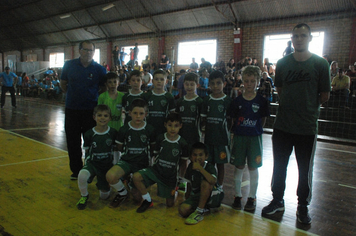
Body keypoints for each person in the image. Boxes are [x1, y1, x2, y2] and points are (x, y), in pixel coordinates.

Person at [261, 23, 330, 225]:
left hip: (306, 128)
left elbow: (324, 95)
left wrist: (306, 106)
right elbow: (281, 90)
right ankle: (277, 200)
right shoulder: (282, 63)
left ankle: (302, 206)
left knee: (304, 169)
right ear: (292, 39)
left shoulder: (320, 64)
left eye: (303, 35)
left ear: (309, 38)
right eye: (295, 36)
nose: (299, 39)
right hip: (283, 125)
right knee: (279, 166)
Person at [60, 40, 107, 180]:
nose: (88, 53)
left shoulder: (99, 69)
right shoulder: (69, 65)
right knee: (73, 141)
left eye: (91, 50)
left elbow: (103, 87)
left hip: (90, 111)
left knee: (90, 142)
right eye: (85, 50)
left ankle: (90, 170)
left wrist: (92, 97)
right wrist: (73, 95)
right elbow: (63, 84)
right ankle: (76, 171)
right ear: (79, 50)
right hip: (72, 110)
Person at [229, 66, 270, 211]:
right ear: (242, 81)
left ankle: (252, 197)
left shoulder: (262, 101)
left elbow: (263, 119)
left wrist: (256, 129)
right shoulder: (237, 101)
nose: (249, 84)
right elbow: (233, 120)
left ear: (258, 82)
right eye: (246, 81)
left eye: (252, 81)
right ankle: (237, 196)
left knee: (253, 167)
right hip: (240, 137)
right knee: (239, 166)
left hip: (254, 138)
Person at [132, 113, 188, 213]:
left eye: (176, 126)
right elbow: (155, 155)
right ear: (165, 125)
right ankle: (148, 200)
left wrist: (180, 180)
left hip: (169, 177)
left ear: (180, 126)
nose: (172, 129)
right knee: (136, 177)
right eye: (170, 125)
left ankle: (172, 191)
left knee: (170, 204)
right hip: (156, 171)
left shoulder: (182, 143)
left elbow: (183, 163)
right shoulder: (160, 138)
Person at [106, 98, 156, 208]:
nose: (138, 116)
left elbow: (152, 149)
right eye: (135, 113)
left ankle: (131, 182)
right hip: (127, 162)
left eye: (141, 113)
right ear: (129, 113)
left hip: (142, 165)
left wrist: (149, 166)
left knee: (138, 198)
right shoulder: (124, 129)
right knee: (110, 176)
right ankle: (123, 193)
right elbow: (119, 148)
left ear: (146, 114)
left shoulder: (150, 129)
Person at [76, 104, 118, 210]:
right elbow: (86, 150)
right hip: (93, 163)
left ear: (110, 118)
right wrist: (86, 164)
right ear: (94, 117)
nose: (102, 118)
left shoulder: (113, 133)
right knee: (82, 175)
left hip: (106, 166)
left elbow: (116, 150)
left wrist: (115, 165)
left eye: (105, 116)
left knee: (104, 197)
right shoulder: (89, 134)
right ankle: (84, 196)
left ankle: (105, 186)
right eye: (99, 115)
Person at [201, 70, 232, 189]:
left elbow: (230, 121)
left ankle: (219, 186)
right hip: (209, 139)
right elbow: (203, 120)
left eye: (218, 83)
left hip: (222, 139)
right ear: (209, 84)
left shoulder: (228, 101)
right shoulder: (207, 100)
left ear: (224, 84)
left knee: (221, 165)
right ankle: (210, 184)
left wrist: (227, 133)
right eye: (212, 83)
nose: (215, 86)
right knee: (209, 164)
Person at [178, 142, 224, 225]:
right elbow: (188, 185)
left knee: (205, 183)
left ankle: (199, 212)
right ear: (191, 157)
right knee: (182, 210)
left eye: (200, 155)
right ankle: (203, 209)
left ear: (206, 156)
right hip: (198, 196)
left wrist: (200, 168)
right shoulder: (190, 167)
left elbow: (212, 181)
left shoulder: (209, 167)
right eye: (194, 155)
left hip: (213, 196)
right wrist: (187, 200)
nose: (197, 157)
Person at [175, 72, 204, 191]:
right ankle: (181, 181)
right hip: (182, 137)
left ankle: (193, 182)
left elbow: (202, 120)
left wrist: (200, 132)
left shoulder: (199, 102)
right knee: (182, 161)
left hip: (194, 136)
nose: (189, 87)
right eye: (187, 84)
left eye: (192, 84)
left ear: (197, 85)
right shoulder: (180, 101)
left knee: (194, 161)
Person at [142, 70, 175, 135]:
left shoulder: (169, 97)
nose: (159, 81)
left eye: (162, 79)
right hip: (148, 128)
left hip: (163, 130)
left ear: (166, 81)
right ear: (152, 81)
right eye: (156, 79)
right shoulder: (147, 96)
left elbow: (172, 115)